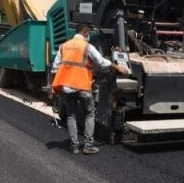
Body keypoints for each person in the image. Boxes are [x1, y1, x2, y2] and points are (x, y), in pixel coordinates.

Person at [51, 24, 130, 155]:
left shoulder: (63, 46)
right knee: (90, 114)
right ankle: (88, 146)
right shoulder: (87, 46)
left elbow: (55, 68)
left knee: (71, 115)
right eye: (89, 33)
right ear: (85, 32)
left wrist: (54, 88)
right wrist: (117, 67)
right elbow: (101, 62)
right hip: (82, 86)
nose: (89, 36)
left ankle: (74, 146)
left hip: (66, 87)